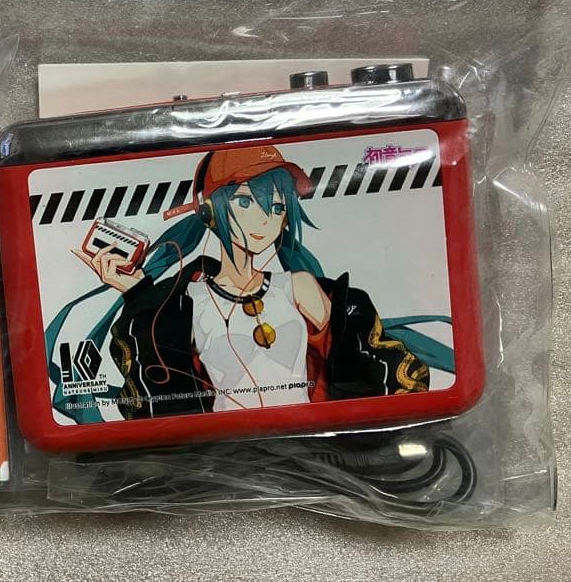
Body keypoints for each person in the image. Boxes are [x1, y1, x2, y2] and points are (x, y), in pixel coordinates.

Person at [54, 145, 443, 423]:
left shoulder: (301, 288)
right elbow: (162, 398)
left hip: (316, 447)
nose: (264, 220)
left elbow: (367, 372)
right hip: (220, 457)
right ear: (210, 210)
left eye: (277, 206)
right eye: (245, 202)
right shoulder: (184, 300)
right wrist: (139, 293)